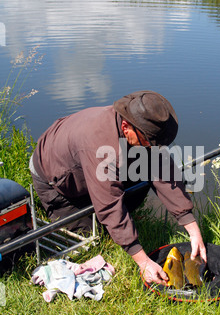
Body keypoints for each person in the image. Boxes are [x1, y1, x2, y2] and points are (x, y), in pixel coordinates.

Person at [29, 90, 206, 286]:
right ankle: (86, 213)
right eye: (149, 142)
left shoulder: (134, 124)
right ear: (126, 127)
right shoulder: (99, 145)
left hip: (89, 165)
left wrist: (192, 229)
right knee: (90, 240)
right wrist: (143, 261)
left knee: (143, 176)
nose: (153, 148)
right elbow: (110, 206)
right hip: (58, 185)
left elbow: (163, 171)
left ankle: (108, 210)